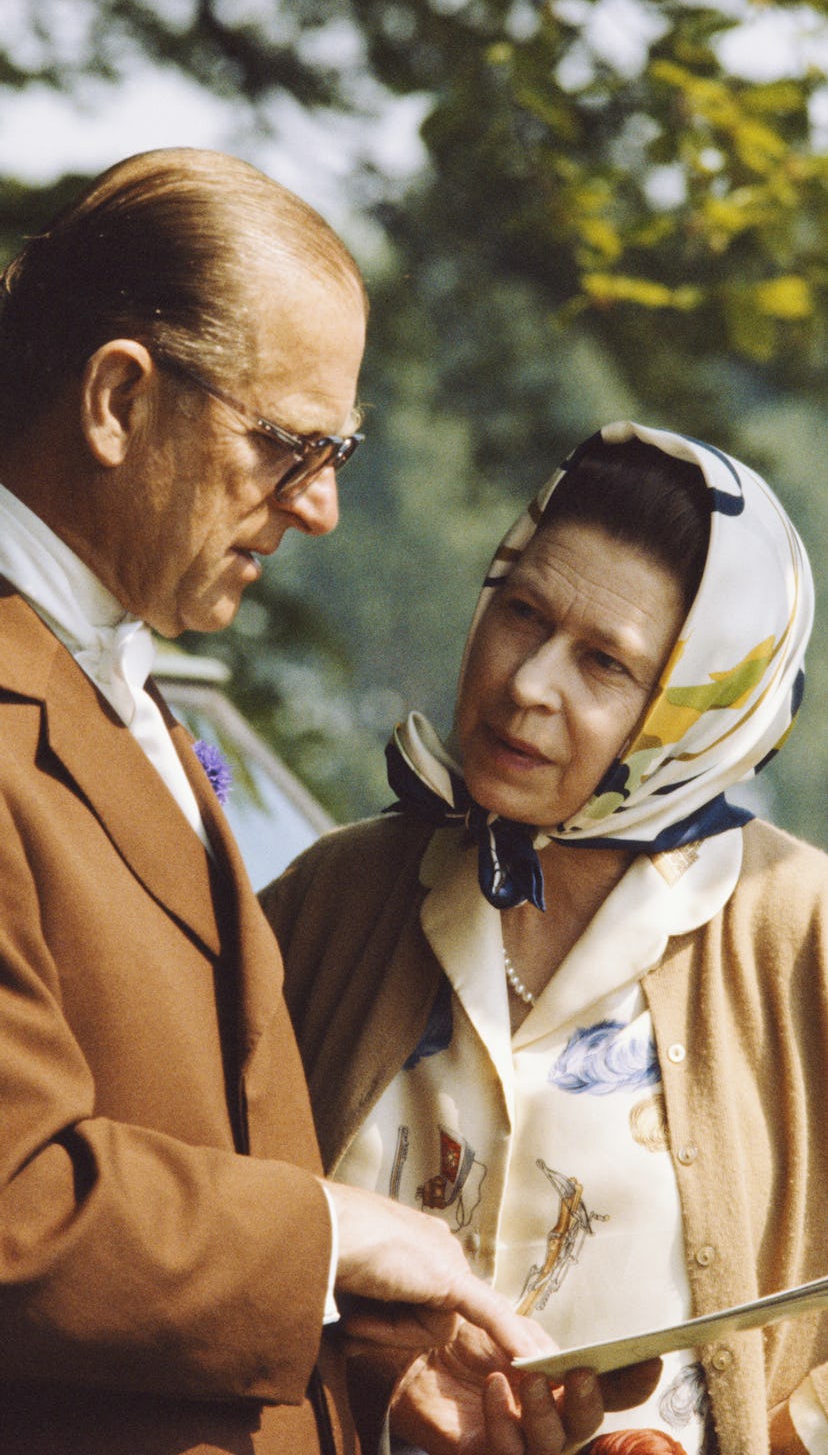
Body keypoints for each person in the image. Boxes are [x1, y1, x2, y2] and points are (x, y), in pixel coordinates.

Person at [0, 145, 566, 1455]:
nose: (318, 508)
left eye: (341, 452)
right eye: (287, 445)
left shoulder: (135, 702)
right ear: (116, 400)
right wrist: (333, 1232)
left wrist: (366, 1371)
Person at [262, 420, 828, 1454]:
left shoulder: (801, 932)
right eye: (523, 612)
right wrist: (384, 1379)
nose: (528, 682)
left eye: (604, 662)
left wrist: (783, 1439)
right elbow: (214, 1214)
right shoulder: (335, 897)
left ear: (697, 713)